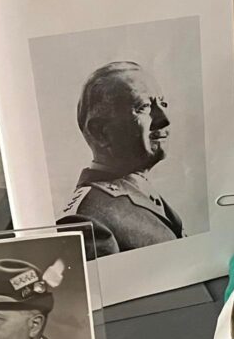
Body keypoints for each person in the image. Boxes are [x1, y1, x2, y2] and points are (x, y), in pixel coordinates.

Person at [59, 61, 184, 258]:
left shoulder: (140, 191)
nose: (164, 119)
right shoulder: (87, 220)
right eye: (143, 107)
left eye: (162, 104)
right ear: (100, 132)